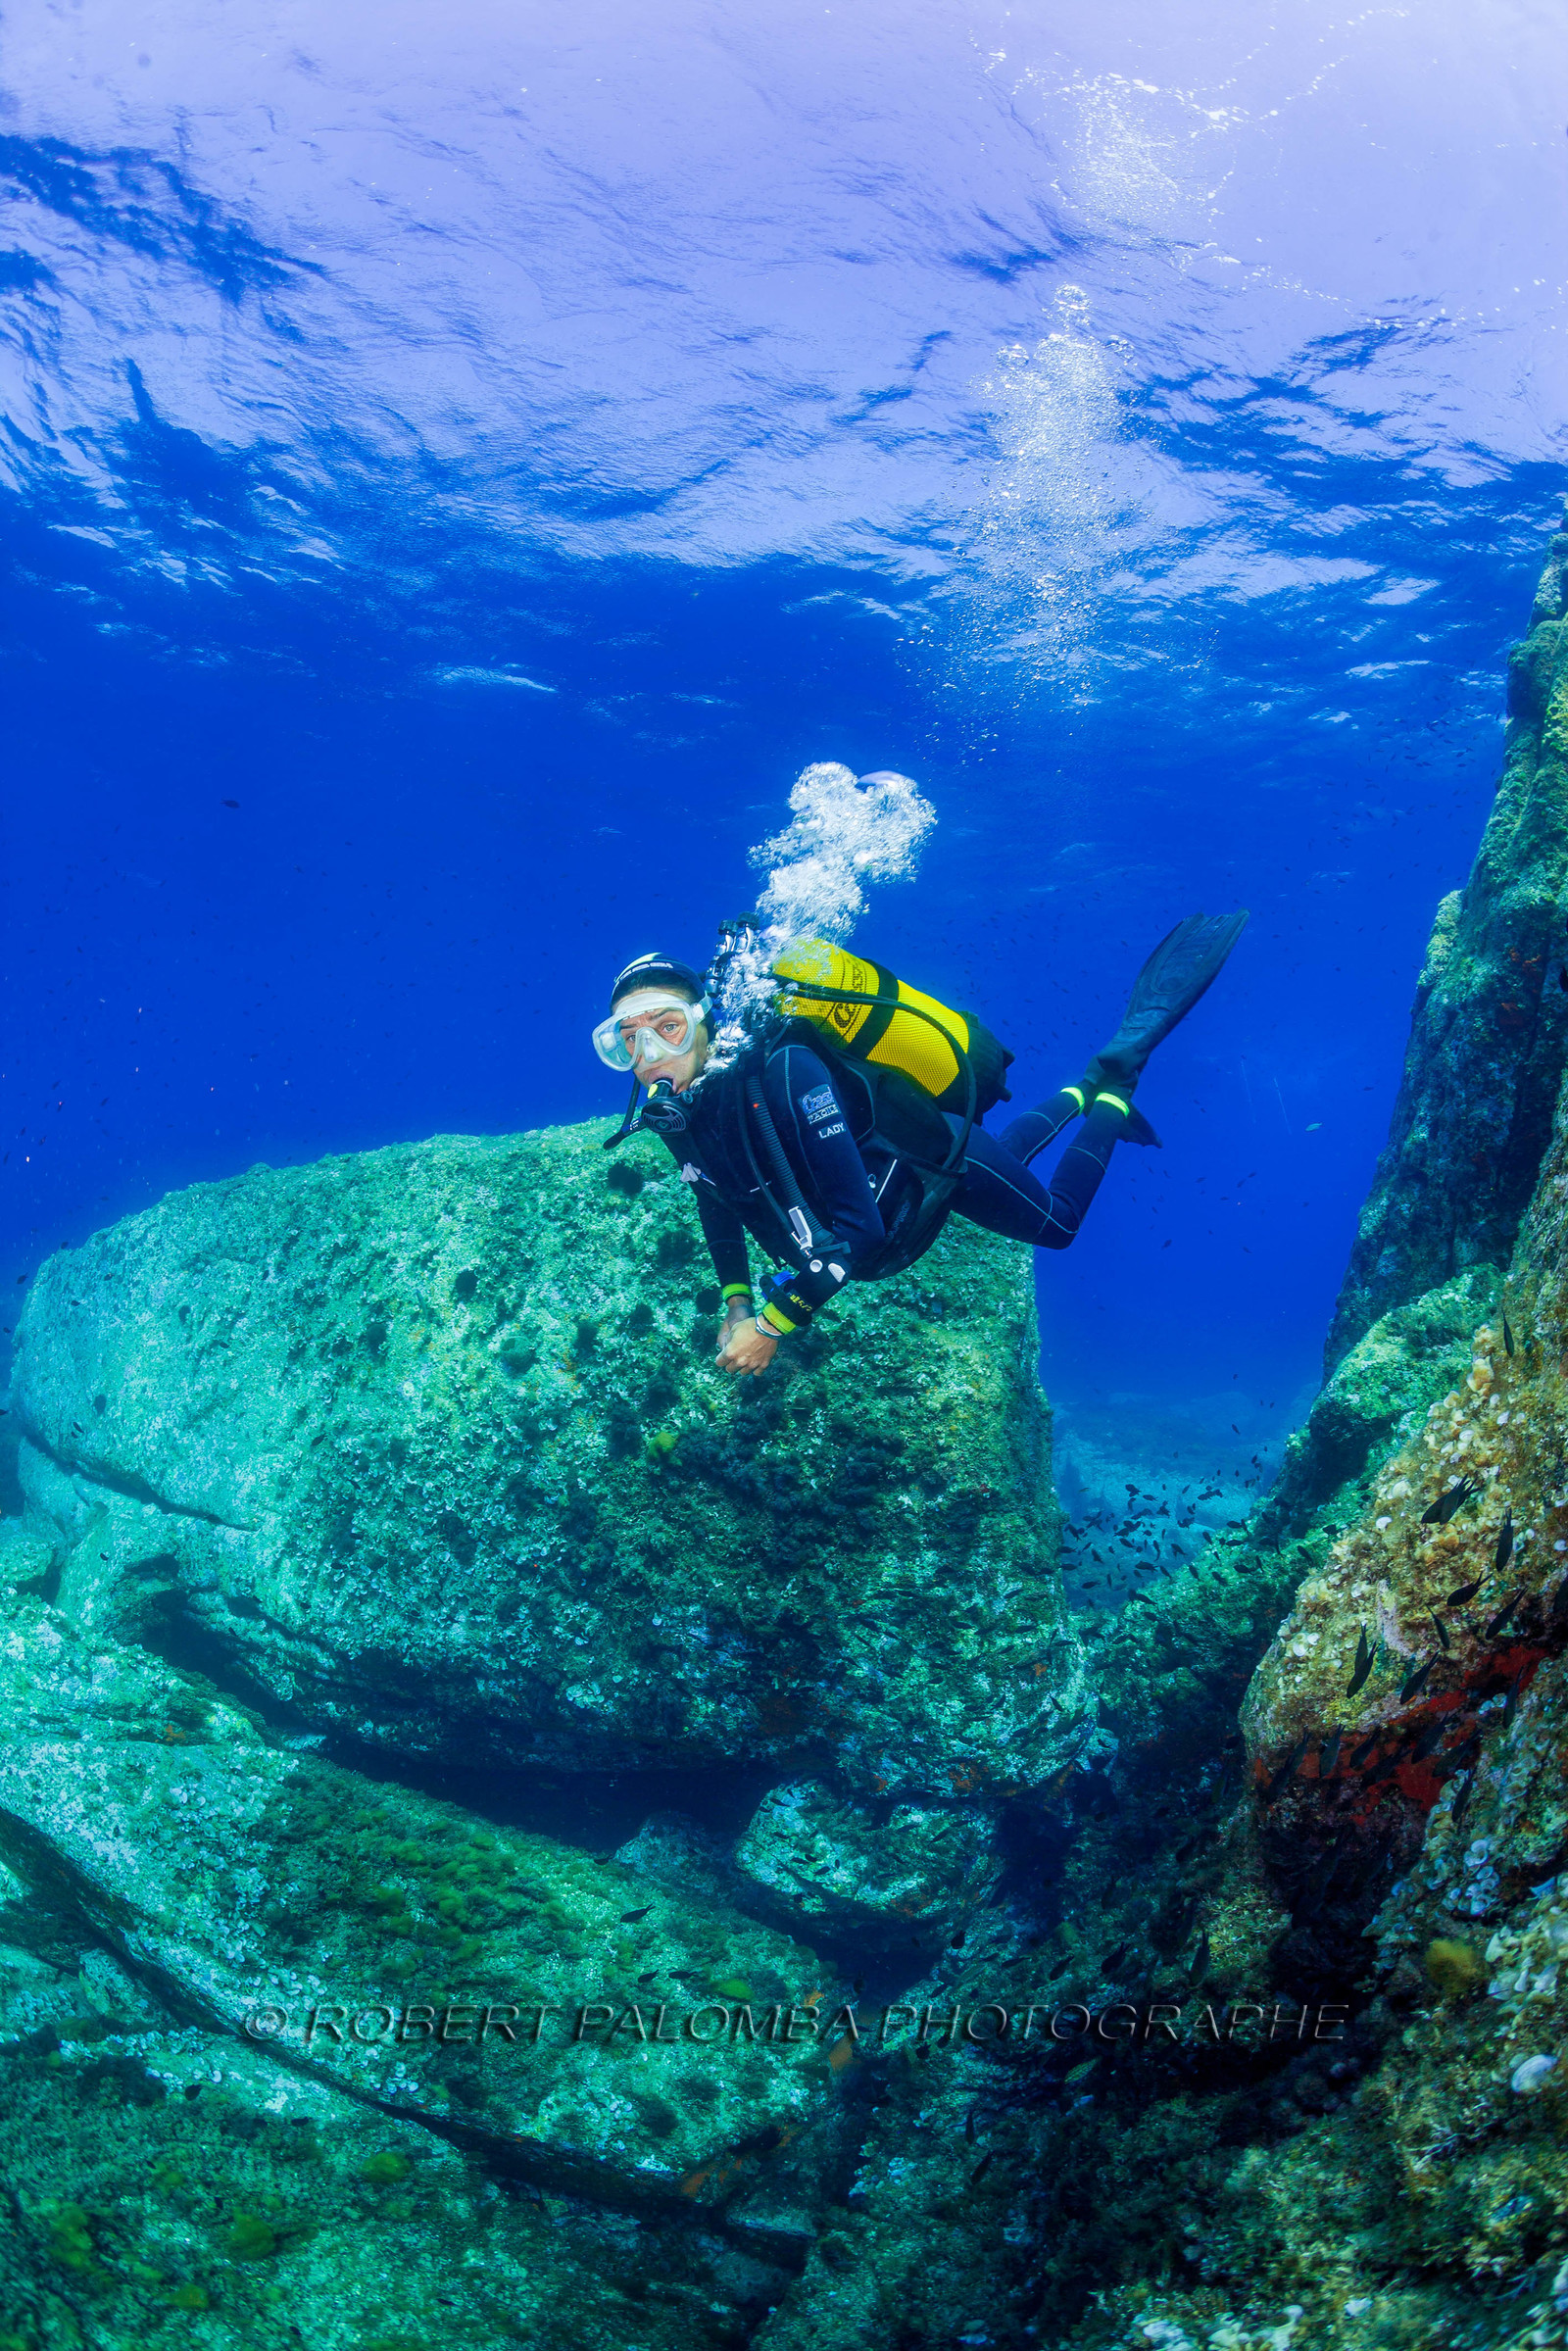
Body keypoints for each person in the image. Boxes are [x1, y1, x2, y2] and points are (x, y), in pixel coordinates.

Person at [591, 917, 1247, 1378]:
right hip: (912, 1189)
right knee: (991, 1158)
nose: (650, 1057)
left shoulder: (789, 1072)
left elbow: (862, 1234)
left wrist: (769, 1326)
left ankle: (1114, 1085)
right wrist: (736, 1298)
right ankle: (1077, 1092)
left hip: (929, 1170)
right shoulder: (683, 1115)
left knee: (1057, 1223)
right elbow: (716, 1199)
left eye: (668, 1028)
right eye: (628, 1040)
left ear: (705, 1024)